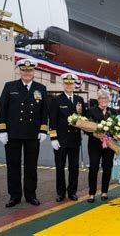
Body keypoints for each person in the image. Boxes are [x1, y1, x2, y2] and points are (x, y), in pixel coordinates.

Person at [0, 59, 48, 207]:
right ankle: (14, 195)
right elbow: (2, 109)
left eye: (29, 70)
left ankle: (31, 195)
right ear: (20, 71)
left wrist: (43, 129)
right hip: (13, 133)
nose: (27, 73)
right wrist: (2, 130)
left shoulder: (41, 88)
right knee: (13, 165)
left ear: (33, 72)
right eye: (24, 70)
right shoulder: (10, 86)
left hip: (32, 133)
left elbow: (45, 111)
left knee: (31, 166)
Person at [48, 73, 86, 202]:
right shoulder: (56, 100)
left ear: (74, 84)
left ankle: (72, 192)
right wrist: (53, 138)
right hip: (61, 140)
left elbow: (84, 119)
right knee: (60, 167)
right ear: (63, 84)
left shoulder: (79, 100)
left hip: (75, 140)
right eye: (67, 83)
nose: (69, 86)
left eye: (71, 83)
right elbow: (52, 120)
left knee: (74, 168)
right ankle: (60, 192)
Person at [86, 89, 116, 203]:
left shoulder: (113, 112)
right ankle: (91, 193)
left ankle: (104, 191)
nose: (103, 100)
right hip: (94, 144)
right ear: (98, 100)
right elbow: (86, 128)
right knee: (93, 167)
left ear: (108, 100)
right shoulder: (91, 111)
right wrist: (95, 134)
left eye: (106, 98)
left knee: (107, 167)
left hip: (109, 144)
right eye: (101, 98)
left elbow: (116, 127)